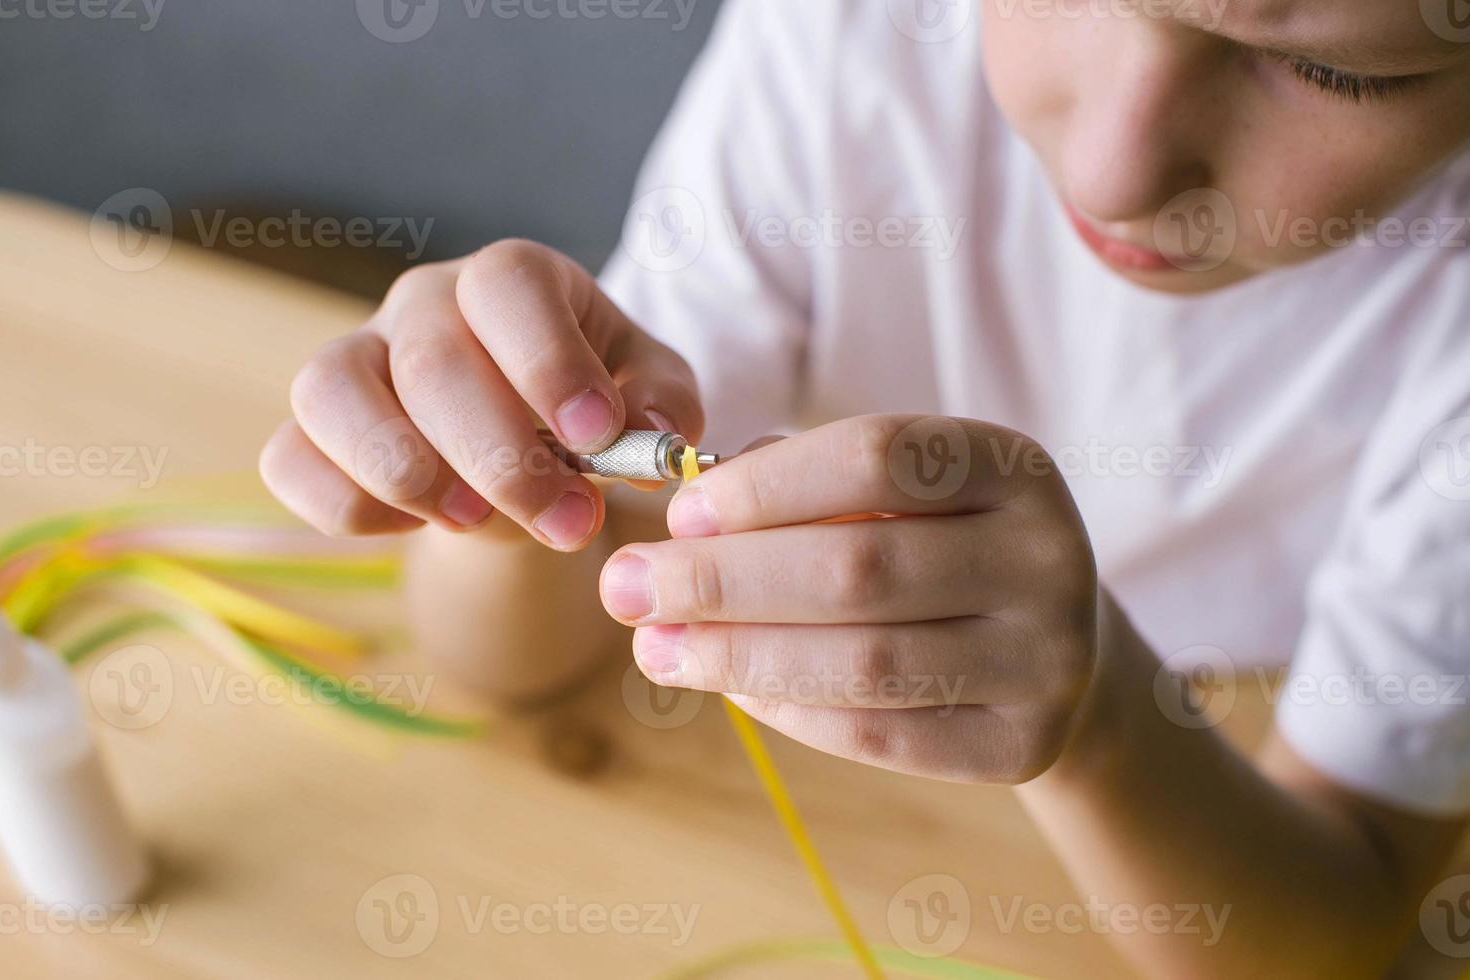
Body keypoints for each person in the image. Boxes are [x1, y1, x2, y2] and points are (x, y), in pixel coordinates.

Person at [259, 1, 1470, 973]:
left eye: (1336, 77)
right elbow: (504, 657)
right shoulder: (845, 42)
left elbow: (1329, 926)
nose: (1114, 174)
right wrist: (510, 474)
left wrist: (1097, 716)